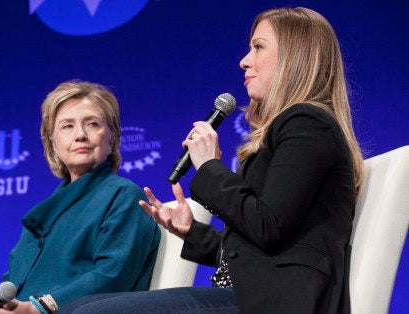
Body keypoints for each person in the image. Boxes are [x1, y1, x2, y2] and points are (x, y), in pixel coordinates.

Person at [59, 7, 364, 314]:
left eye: (258, 47)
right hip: (247, 294)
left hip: (277, 302)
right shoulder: (295, 128)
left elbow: (268, 227)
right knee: (73, 310)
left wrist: (208, 166)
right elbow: (255, 247)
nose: (244, 61)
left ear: (294, 56)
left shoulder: (307, 124)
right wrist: (191, 231)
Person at [0, 80, 161, 314]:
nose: (80, 135)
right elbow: (13, 285)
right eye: (67, 126)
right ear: (52, 143)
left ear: (113, 137)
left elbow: (113, 276)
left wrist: (36, 309)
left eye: (92, 124)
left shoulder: (123, 196)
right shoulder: (42, 215)